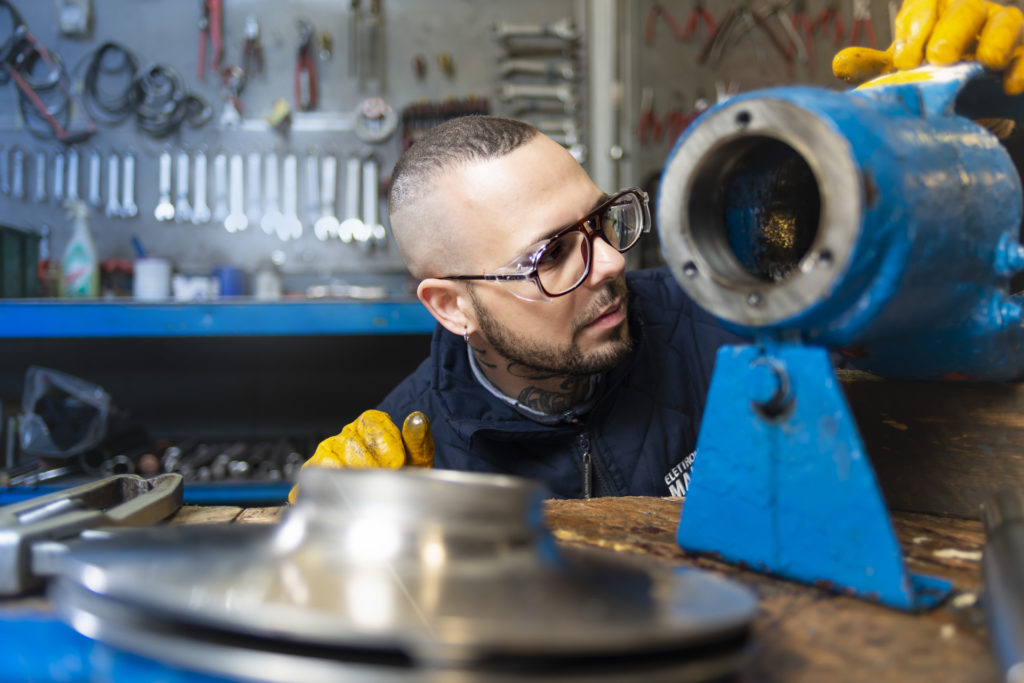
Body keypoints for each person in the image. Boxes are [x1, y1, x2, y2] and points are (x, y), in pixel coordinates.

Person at [292, 0, 1024, 501]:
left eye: (602, 221)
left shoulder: (733, 316)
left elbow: (958, 319)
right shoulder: (417, 450)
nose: (611, 264)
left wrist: (959, 152)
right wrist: (334, 531)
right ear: (452, 305)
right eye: (551, 255)